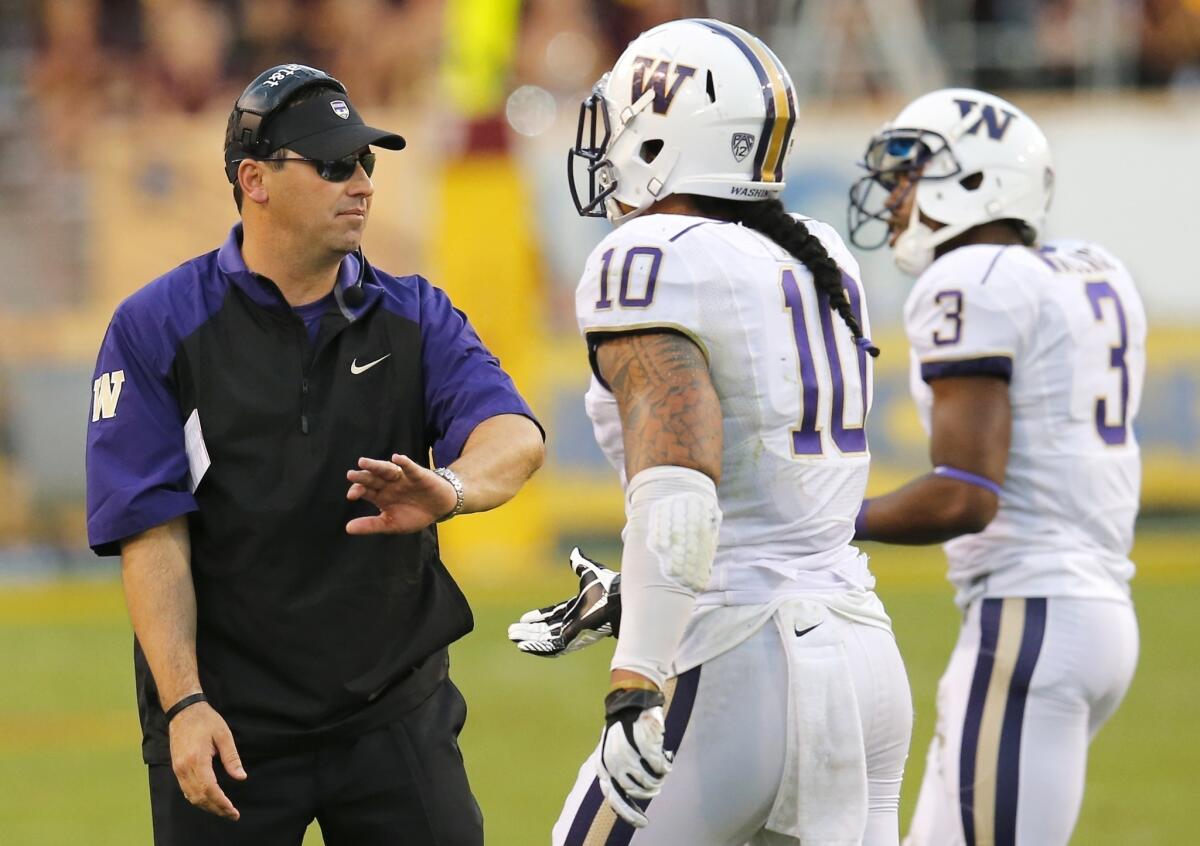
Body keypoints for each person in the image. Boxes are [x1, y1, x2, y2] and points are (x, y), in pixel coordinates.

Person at [85, 63, 544, 846]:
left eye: (366, 162)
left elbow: (516, 434)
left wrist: (453, 489)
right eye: (334, 164)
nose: (361, 182)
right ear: (253, 180)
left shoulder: (417, 315)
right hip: (227, 721)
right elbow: (150, 533)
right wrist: (185, 705)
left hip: (391, 709)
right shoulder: (155, 328)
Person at [513, 19, 913, 845]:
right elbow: (764, 507)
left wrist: (637, 675)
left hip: (739, 662)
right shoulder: (817, 255)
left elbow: (681, 488)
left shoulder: (653, 254)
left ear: (665, 139)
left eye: (624, 121)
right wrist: (631, 596)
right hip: (862, 653)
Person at [846, 88, 1145, 846]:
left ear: (971, 183)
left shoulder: (971, 280)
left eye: (908, 176)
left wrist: (822, 520)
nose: (892, 198)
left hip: (1032, 614)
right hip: (1090, 609)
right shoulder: (1091, 268)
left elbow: (967, 495)